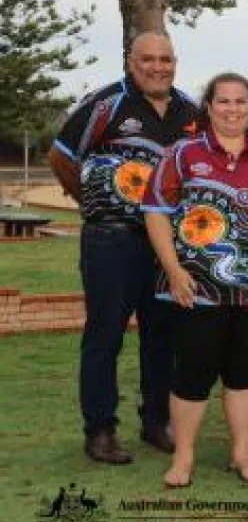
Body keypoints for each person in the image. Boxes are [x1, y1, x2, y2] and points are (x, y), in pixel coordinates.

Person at [142, 72, 248, 487]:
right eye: (224, 101)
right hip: (196, 289)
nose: (232, 109)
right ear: (209, 106)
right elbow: (156, 212)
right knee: (192, 374)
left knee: (246, 373)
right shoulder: (181, 154)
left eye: (240, 102)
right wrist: (175, 271)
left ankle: (241, 454)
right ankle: (183, 457)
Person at [49, 32, 199, 464]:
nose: (157, 67)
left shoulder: (191, 111)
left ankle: (156, 423)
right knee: (105, 336)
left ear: (175, 63)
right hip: (110, 240)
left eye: (165, 60)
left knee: (162, 337)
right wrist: (90, 203)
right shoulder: (104, 104)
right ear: (130, 62)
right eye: (148, 59)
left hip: (166, 247)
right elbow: (60, 157)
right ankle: (100, 431)